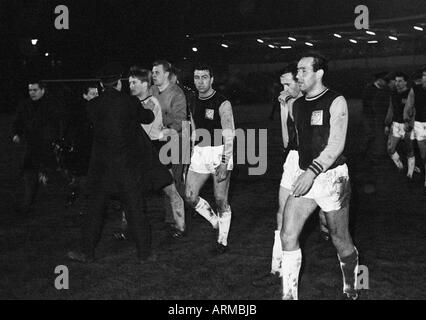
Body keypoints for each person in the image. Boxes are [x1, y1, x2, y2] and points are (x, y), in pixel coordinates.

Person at [67, 63, 172, 263]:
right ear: (119, 84)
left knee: (94, 213)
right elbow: (147, 117)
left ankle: (87, 252)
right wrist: (146, 107)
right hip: (126, 168)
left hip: (101, 169)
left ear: (101, 84)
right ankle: (144, 254)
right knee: (136, 211)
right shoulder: (129, 102)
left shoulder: (93, 105)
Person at [280, 53, 359, 300]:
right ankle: (289, 295)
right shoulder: (297, 104)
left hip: (332, 178)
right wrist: (285, 104)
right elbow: (290, 140)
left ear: (319, 73)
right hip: (307, 176)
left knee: (340, 239)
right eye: (297, 71)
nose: (298, 75)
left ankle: (351, 285)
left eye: (303, 70)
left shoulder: (336, 101)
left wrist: (313, 171)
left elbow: (336, 144)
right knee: (287, 234)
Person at [128, 66, 185, 236]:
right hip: (139, 151)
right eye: (129, 82)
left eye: (134, 82)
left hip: (154, 151)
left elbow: (142, 128)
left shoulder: (152, 104)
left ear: (145, 85)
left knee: (171, 190)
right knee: (129, 191)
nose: (130, 86)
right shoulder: (132, 103)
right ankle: (126, 228)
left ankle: (180, 227)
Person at [184, 64, 235, 254]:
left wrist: (224, 161)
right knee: (189, 196)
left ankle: (222, 241)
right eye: (197, 77)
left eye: (204, 77)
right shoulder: (193, 100)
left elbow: (229, 135)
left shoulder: (222, 103)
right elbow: (194, 127)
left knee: (221, 199)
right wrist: (192, 149)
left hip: (219, 152)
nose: (200, 81)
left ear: (212, 79)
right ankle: (214, 221)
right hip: (200, 152)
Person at [12, 80, 64, 214]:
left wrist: (57, 140)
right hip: (32, 146)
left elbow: (58, 124)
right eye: (30, 90)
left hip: (47, 146)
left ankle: (59, 203)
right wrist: (17, 133)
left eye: (35, 90)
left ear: (43, 90)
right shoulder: (25, 105)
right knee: (29, 175)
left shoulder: (51, 105)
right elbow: (19, 120)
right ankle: (27, 204)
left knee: (52, 176)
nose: (32, 93)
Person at [151, 60, 187, 226]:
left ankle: (176, 219)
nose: (154, 75)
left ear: (166, 74)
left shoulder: (176, 93)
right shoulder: (151, 91)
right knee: (163, 179)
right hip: (157, 143)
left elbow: (179, 122)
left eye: (157, 72)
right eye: (153, 72)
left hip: (176, 142)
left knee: (174, 180)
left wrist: (160, 125)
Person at [384, 72, 415, 179]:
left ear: (406, 82)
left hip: (407, 126)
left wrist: (410, 124)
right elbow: (391, 109)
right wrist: (387, 124)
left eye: (400, 81)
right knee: (390, 149)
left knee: (409, 149)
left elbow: (414, 111)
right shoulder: (393, 94)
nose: (397, 83)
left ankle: (410, 173)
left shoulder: (411, 93)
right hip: (396, 125)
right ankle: (400, 166)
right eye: (396, 81)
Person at [404, 66, 426, 195]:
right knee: (423, 154)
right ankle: (411, 174)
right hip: (419, 125)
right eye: (424, 75)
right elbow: (409, 106)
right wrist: (407, 120)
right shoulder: (415, 90)